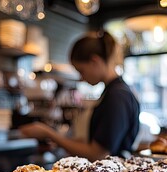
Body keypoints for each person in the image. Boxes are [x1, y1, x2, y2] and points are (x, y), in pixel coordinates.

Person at [19, 31, 140, 162]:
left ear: (95, 61)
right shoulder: (115, 91)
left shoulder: (117, 96)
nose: (81, 78)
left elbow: (98, 154)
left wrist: (49, 134)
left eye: (81, 71)